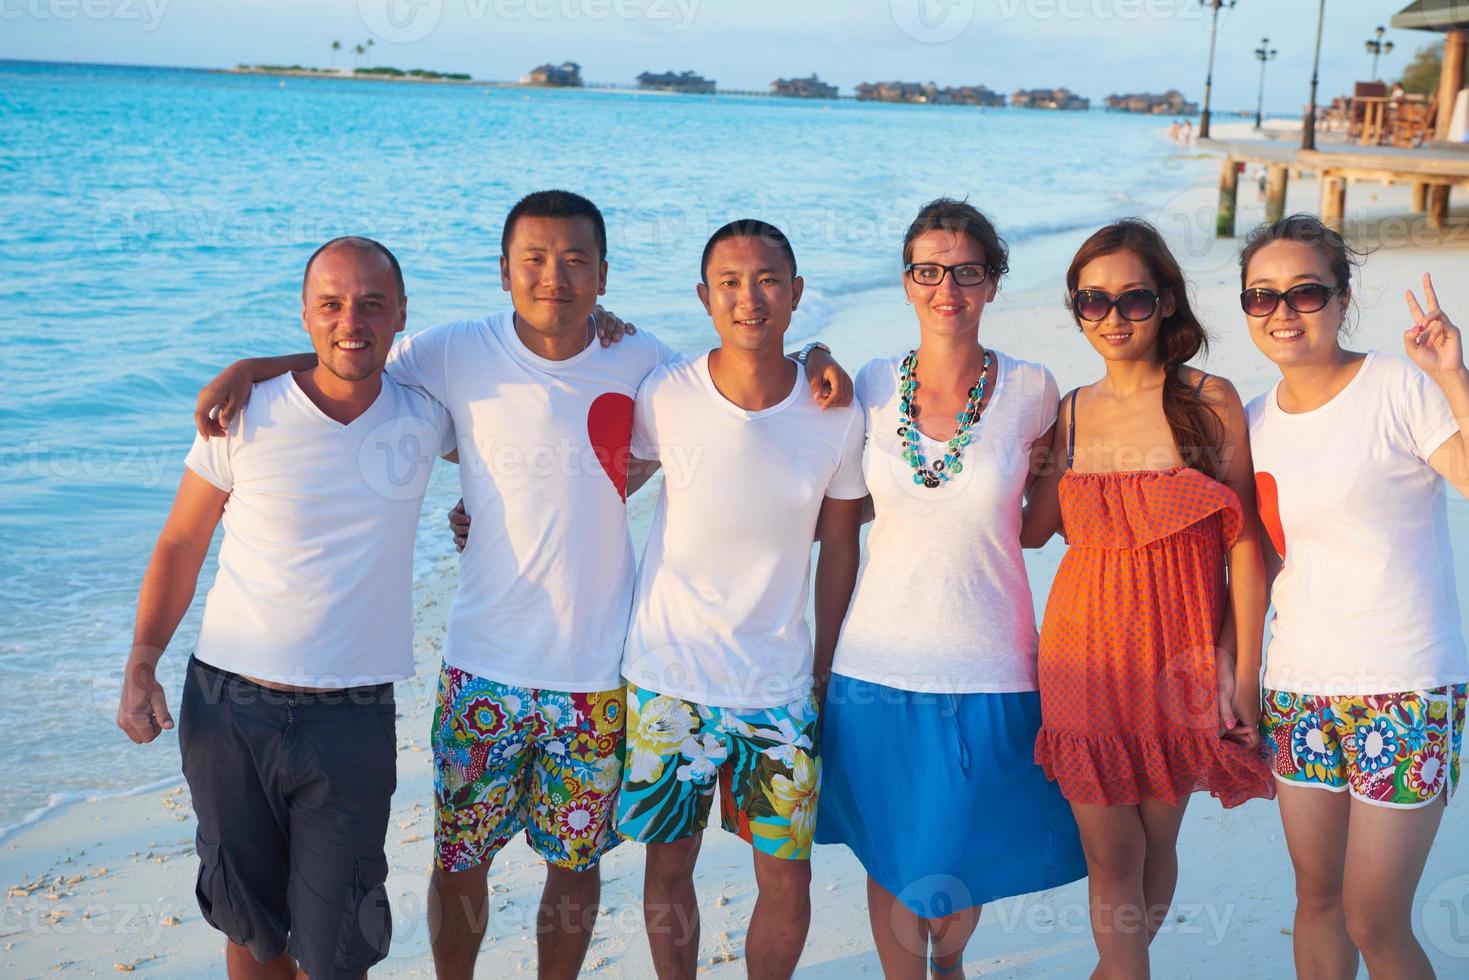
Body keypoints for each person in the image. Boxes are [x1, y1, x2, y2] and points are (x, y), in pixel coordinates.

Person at [196, 191, 851, 980]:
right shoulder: (452, 352)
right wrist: (250, 367)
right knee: (461, 864)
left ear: (604, 275)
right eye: (534, 260)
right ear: (502, 271)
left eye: (576, 260)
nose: (555, 277)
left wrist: (815, 356)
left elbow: (735, 395)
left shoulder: (642, 360)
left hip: (598, 673)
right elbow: (348, 355)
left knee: (574, 870)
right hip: (482, 664)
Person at [118, 237, 455, 979]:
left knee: (340, 948)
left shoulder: (427, 416)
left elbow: (530, 409)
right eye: (330, 305)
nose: (351, 321)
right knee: (251, 925)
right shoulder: (244, 414)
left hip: (352, 717)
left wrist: (601, 329)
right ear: (303, 315)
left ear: (402, 314)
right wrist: (141, 661)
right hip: (229, 710)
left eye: (372, 304)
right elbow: (180, 542)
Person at [814, 198, 1087, 980]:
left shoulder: (1035, 391)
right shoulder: (866, 382)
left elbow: (1036, 526)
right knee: (891, 852)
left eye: (966, 272)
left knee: (956, 853)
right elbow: (834, 527)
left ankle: (951, 969)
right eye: (928, 271)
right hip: (873, 664)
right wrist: (822, 662)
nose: (947, 288)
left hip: (990, 663)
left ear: (993, 283)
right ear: (905, 282)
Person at [1022, 219, 1275, 979]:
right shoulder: (1067, 410)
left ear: (1165, 301)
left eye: (1131, 299)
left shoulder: (1206, 400)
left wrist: (1241, 675)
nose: (1110, 318)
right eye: (1090, 302)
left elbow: (1245, 546)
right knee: (1113, 848)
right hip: (1082, 654)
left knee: (1157, 844)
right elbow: (1033, 531)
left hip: (1182, 654)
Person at [1240, 214, 1469, 979]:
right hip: (1299, 688)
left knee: (1375, 918)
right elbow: (1260, 565)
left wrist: (1451, 373)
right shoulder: (1251, 422)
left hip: (1404, 685)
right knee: (1315, 900)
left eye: (1305, 292)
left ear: (1341, 300)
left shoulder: (1398, 386)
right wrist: (1232, 675)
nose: (1282, 311)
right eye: (1261, 297)